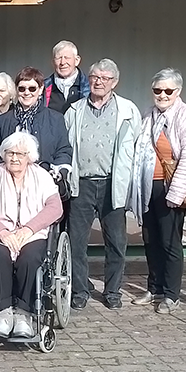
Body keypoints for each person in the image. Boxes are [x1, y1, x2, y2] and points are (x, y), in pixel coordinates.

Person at [64, 59, 139, 311]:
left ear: (114, 82)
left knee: (116, 243)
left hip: (111, 184)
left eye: (105, 78)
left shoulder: (128, 110)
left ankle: (113, 291)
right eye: (95, 77)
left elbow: (136, 148)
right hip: (82, 184)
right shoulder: (74, 110)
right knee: (76, 243)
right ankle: (79, 291)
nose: (99, 82)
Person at [129, 68, 186, 315]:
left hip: (171, 187)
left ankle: (172, 294)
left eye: (168, 91)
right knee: (151, 240)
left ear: (178, 91)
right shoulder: (148, 115)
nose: (162, 95)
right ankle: (155, 288)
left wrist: (176, 194)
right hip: (148, 186)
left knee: (170, 242)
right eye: (157, 90)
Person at [0, 131, 63, 338]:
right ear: (3, 154)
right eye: (10, 153)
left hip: (32, 234)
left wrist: (29, 229)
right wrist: (2, 232)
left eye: (20, 154)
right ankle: (3, 314)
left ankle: (24, 314)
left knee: (30, 258)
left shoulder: (41, 177)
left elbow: (55, 208)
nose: (14, 158)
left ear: (29, 156)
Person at [0, 67, 72, 174]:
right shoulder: (2, 121)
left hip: (44, 179)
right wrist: (1, 171)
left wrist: (56, 172)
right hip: (9, 179)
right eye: (22, 88)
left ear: (40, 89)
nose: (27, 93)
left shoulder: (55, 119)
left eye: (32, 88)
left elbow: (63, 151)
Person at [43, 40, 90, 113]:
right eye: (58, 58)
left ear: (77, 60)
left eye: (67, 58)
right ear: (53, 62)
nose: (62, 62)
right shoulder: (43, 87)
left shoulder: (89, 87)